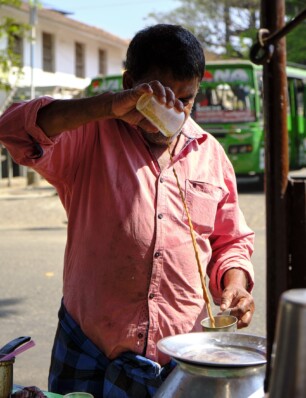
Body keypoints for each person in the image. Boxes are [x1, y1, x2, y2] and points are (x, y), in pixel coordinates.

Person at [0, 24, 255, 397]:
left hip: (184, 354)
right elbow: (12, 128)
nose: (174, 113)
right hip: (90, 349)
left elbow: (230, 241)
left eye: (185, 101)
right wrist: (110, 105)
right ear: (130, 83)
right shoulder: (89, 135)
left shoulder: (210, 154)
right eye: (160, 97)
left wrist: (234, 284)